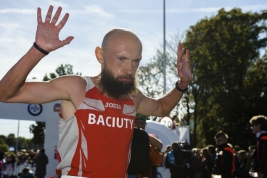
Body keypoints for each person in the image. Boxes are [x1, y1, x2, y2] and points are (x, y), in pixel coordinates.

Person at [0, 5, 192, 178]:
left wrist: (183, 83)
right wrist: (38, 49)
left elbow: (162, 107)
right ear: (99, 55)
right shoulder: (77, 87)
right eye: (122, 59)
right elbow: (6, 94)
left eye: (136, 61)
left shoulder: (132, 96)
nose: (129, 69)